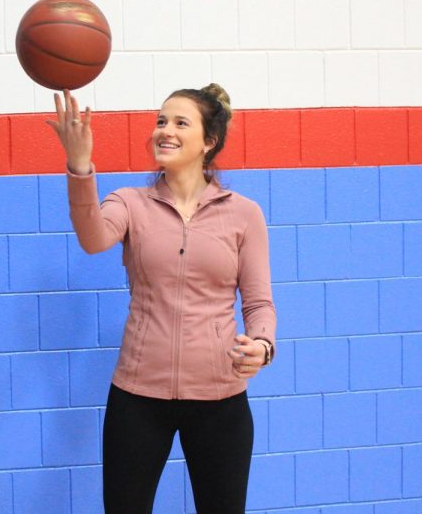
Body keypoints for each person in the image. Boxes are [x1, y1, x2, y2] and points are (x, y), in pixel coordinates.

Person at [46, 85, 276, 514]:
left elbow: (259, 303)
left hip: (220, 399)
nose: (164, 131)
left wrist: (262, 345)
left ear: (209, 141)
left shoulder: (244, 214)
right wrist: (80, 166)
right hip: (137, 398)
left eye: (180, 123)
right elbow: (93, 237)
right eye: (160, 121)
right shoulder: (130, 203)